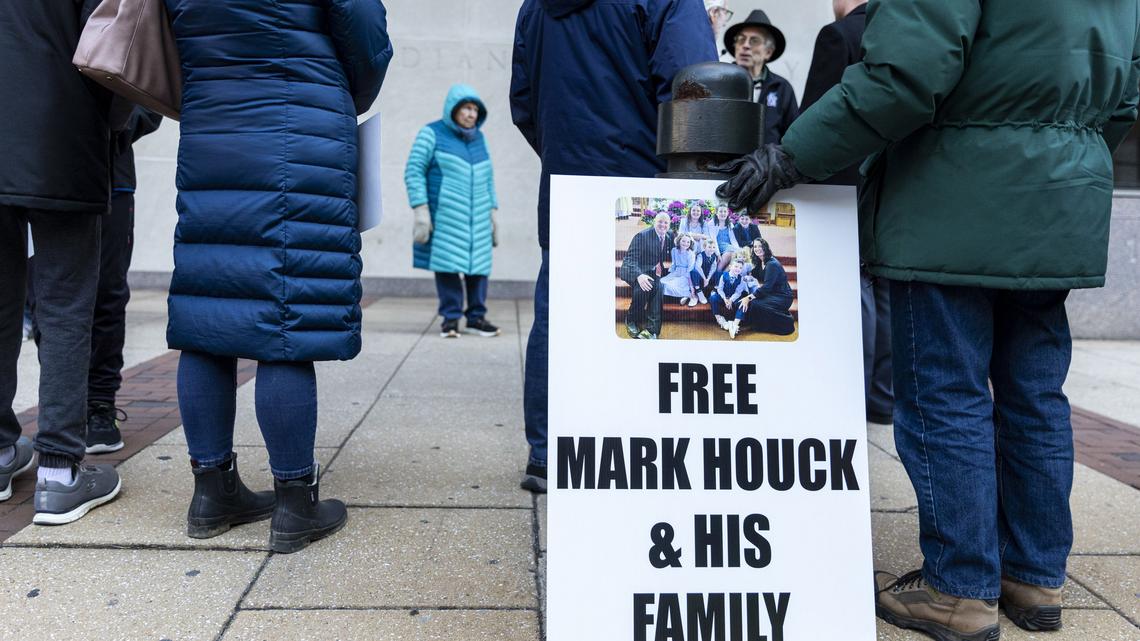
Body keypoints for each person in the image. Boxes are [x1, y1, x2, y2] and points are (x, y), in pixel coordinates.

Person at [712, 0, 1140, 638]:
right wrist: (1053, 162)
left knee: (947, 396)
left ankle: (959, 589)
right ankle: (1033, 574)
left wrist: (791, 155)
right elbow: (1122, 103)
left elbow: (901, 80)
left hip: (950, 200)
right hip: (1057, 206)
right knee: (1036, 396)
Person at [163, 0, 392, 553]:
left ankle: (211, 492)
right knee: (286, 317)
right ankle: (295, 504)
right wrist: (334, 88)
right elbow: (364, 35)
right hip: (296, 131)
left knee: (207, 306)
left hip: (212, 126)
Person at [510, 0, 717, 493]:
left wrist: (570, 164)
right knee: (648, 314)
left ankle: (548, 454)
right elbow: (694, 94)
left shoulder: (535, 6)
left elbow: (524, 104)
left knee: (558, 315)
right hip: (646, 184)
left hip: (567, 186)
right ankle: (639, 446)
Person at [0, 0, 122, 525]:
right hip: (62, 139)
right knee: (66, 305)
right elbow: (117, 45)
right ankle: (58, 470)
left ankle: (1, 453)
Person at [801, 0, 890, 426]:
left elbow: (817, 118)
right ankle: (883, 396)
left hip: (842, 185)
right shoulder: (900, 30)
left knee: (856, 289)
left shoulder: (839, 35)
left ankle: (850, 392)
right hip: (891, 184)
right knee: (883, 288)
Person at [84, 109, 164, 455]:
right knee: (44, 300)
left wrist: (114, 121)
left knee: (107, 294)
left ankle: (99, 405)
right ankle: (64, 406)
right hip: (41, 170)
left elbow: (149, 96)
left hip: (110, 177)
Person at [405, 84, 500, 339]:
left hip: (478, 217)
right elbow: (414, 170)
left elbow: (488, 176)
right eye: (467, 108)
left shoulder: (479, 138)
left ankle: (476, 318)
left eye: (475, 110)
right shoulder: (431, 133)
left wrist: (492, 211)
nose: (471, 115)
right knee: (447, 266)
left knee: (478, 268)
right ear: (453, 110)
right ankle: (450, 318)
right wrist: (420, 209)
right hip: (445, 216)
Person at [725, 10, 798, 145]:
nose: (745, 46)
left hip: (766, 165)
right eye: (741, 39)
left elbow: (793, 138)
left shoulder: (781, 88)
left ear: (768, 52)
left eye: (754, 41)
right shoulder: (722, 82)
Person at [621, 213, 676, 340]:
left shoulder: (667, 236)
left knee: (659, 287)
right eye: (660, 222)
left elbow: (679, 245)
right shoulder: (642, 236)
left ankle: (651, 331)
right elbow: (630, 260)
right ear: (654, 222)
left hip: (651, 270)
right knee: (644, 287)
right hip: (634, 270)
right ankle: (631, 320)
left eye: (666, 223)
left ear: (669, 225)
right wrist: (639, 275)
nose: (663, 225)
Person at [734, 238, 794, 336]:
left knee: (755, 304)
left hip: (783, 297)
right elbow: (755, 273)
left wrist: (748, 298)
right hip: (772, 293)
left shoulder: (772, 264)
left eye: (760, 246)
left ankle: (786, 321)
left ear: (765, 247)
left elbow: (766, 287)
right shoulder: (760, 260)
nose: (757, 249)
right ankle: (757, 324)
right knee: (750, 302)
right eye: (755, 247)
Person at [709, 259, 747, 335]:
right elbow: (720, 289)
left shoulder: (741, 279)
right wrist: (725, 299)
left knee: (742, 303)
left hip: (734, 298)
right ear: (730, 267)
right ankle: (720, 319)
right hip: (723, 297)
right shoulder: (724, 276)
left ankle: (735, 324)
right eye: (736, 266)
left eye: (740, 268)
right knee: (713, 298)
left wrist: (731, 300)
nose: (738, 269)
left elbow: (738, 292)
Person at [662, 234, 699, 306]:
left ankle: (690, 295)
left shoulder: (691, 254)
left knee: (670, 285)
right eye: (683, 241)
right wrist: (671, 275)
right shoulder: (674, 250)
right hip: (676, 272)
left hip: (685, 275)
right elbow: (674, 264)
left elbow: (690, 270)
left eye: (688, 242)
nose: (686, 244)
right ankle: (684, 296)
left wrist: (691, 286)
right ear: (679, 241)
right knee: (662, 283)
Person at [692, 238, 720, 305]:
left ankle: (714, 290)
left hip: (708, 277)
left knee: (719, 272)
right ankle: (699, 291)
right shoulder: (700, 255)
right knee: (694, 271)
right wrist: (705, 279)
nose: (712, 249)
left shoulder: (714, 256)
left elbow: (713, 268)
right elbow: (698, 267)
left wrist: (708, 279)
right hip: (701, 277)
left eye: (713, 247)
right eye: (709, 247)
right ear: (704, 247)